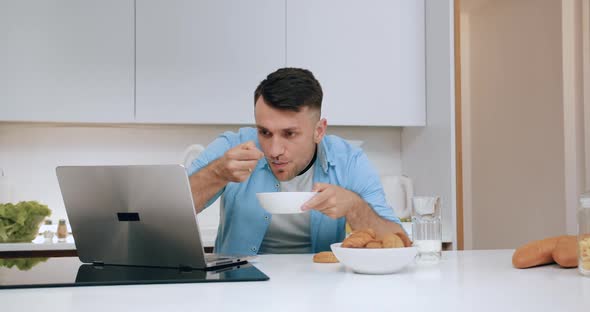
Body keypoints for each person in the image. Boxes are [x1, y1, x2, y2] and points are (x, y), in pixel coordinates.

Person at [187, 68, 409, 255]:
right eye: (264, 132)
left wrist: (354, 207)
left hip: (322, 288)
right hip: (238, 284)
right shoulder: (233, 146)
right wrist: (216, 174)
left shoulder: (348, 161)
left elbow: (399, 242)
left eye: (290, 134)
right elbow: (164, 213)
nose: (274, 151)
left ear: (319, 131)